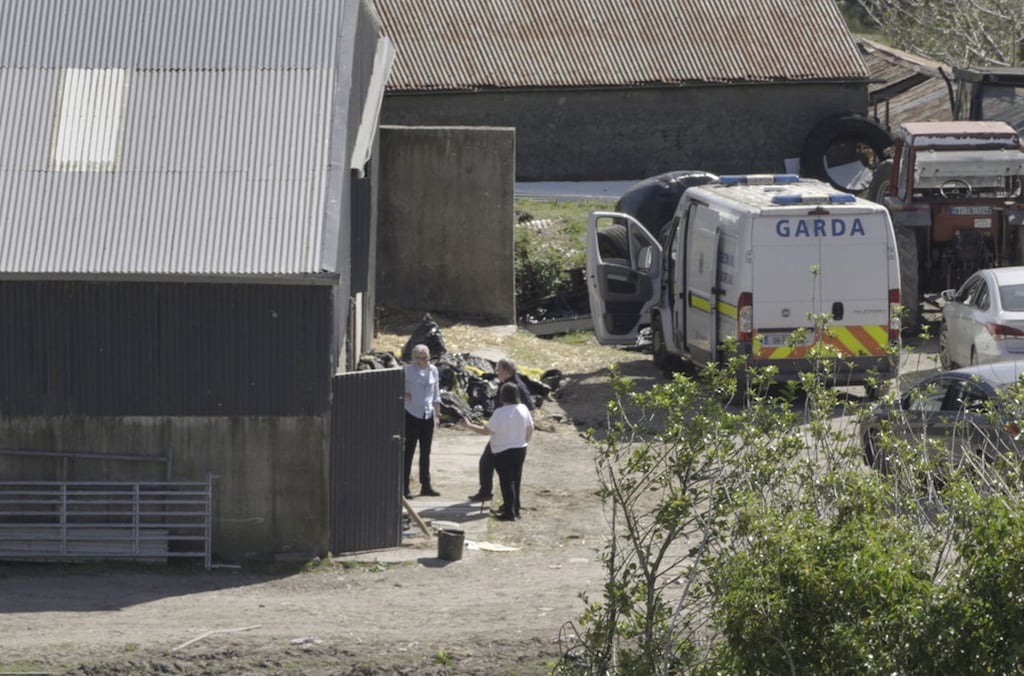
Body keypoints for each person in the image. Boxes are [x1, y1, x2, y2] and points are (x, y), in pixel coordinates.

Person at [468, 358, 536, 502]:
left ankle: (509, 506)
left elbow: (530, 409)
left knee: (506, 474)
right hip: (504, 433)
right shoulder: (506, 383)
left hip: (509, 438)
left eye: (498, 369)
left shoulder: (515, 385)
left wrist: (519, 432)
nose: (496, 372)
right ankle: (495, 496)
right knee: (489, 464)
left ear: (505, 370)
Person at [463, 382, 533, 520]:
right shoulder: (523, 408)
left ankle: (509, 513)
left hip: (503, 451)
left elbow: (486, 431)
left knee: (506, 482)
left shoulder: (500, 412)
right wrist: (524, 441)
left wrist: (469, 425)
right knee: (515, 480)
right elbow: (530, 427)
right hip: (520, 449)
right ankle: (515, 509)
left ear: (503, 396)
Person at [403, 343, 441, 499]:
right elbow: (399, 387)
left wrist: (437, 414)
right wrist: (404, 395)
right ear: (415, 358)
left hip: (427, 414)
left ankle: (426, 485)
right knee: (409, 451)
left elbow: (436, 393)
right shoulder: (408, 371)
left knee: (426, 452)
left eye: (425, 357)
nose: (423, 361)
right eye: (420, 358)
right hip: (412, 413)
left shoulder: (434, 370)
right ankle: (404, 486)